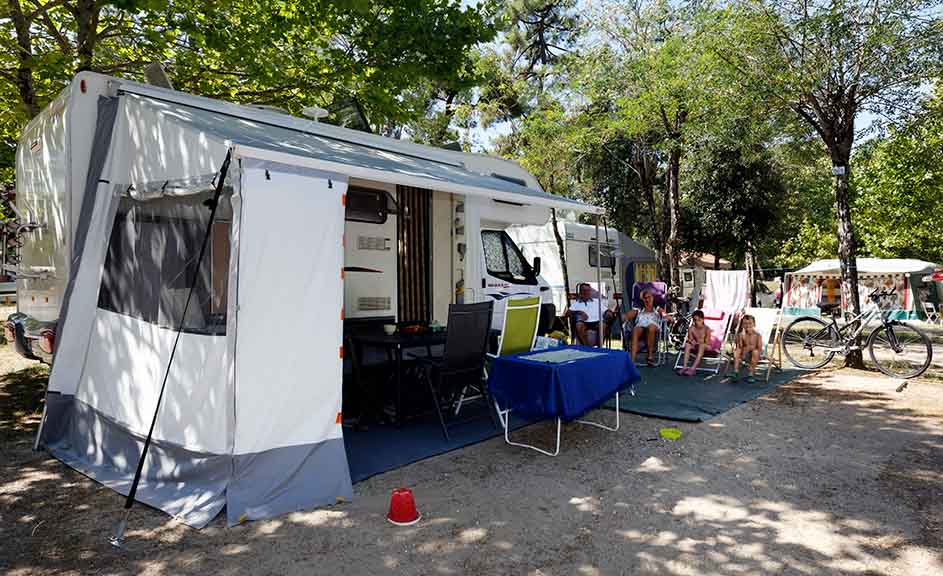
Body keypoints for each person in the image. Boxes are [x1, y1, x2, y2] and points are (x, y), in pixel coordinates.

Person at [623, 288, 665, 367]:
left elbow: (664, 314)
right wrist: (624, 317)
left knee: (651, 327)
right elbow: (628, 315)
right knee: (635, 330)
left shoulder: (657, 308)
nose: (647, 299)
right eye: (645, 298)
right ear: (642, 299)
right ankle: (632, 360)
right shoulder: (639, 309)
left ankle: (650, 356)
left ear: (653, 298)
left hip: (653, 327)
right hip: (641, 326)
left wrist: (669, 317)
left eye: (649, 297)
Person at [677, 310, 711, 376]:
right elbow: (690, 339)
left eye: (699, 320)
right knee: (687, 344)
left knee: (701, 345)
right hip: (696, 345)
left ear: (703, 319)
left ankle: (693, 369)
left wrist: (699, 342)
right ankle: (684, 367)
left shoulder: (707, 329)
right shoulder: (691, 328)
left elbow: (707, 342)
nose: (697, 322)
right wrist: (692, 342)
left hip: (706, 346)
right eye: (695, 320)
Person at [732, 314, 763, 383]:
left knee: (756, 352)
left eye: (750, 323)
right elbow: (739, 346)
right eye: (745, 323)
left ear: (754, 324)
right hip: (743, 354)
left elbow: (759, 348)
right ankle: (735, 372)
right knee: (737, 350)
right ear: (742, 325)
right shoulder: (740, 335)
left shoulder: (757, 335)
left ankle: (751, 374)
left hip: (754, 355)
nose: (747, 325)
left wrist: (750, 348)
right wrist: (741, 338)